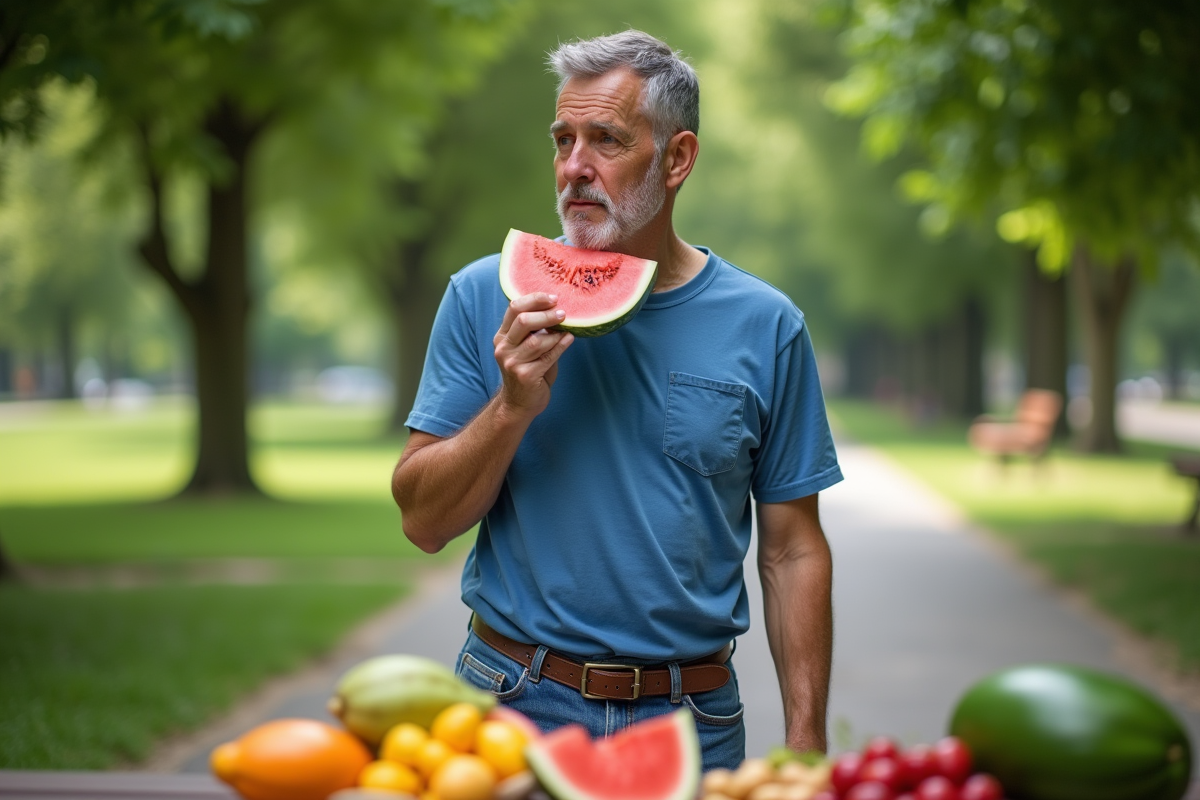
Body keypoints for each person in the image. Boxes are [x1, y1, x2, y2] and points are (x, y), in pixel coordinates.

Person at [391, 30, 842, 770]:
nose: (574, 168)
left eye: (605, 139)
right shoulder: (482, 296)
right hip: (508, 702)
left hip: (693, 716)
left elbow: (793, 549)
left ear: (677, 158)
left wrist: (806, 747)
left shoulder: (767, 326)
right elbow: (421, 521)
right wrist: (510, 406)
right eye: (563, 139)